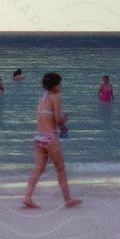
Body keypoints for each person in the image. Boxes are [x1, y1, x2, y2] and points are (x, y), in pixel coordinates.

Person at [21, 72, 83, 209]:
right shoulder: (55, 97)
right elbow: (57, 120)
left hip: (38, 137)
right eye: (60, 83)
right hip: (50, 137)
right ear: (55, 86)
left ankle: (27, 197)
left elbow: (44, 118)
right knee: (60, 169)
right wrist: (64, 120)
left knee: (38, 169)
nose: (61, 86)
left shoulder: (42, 99)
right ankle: (67, 200)